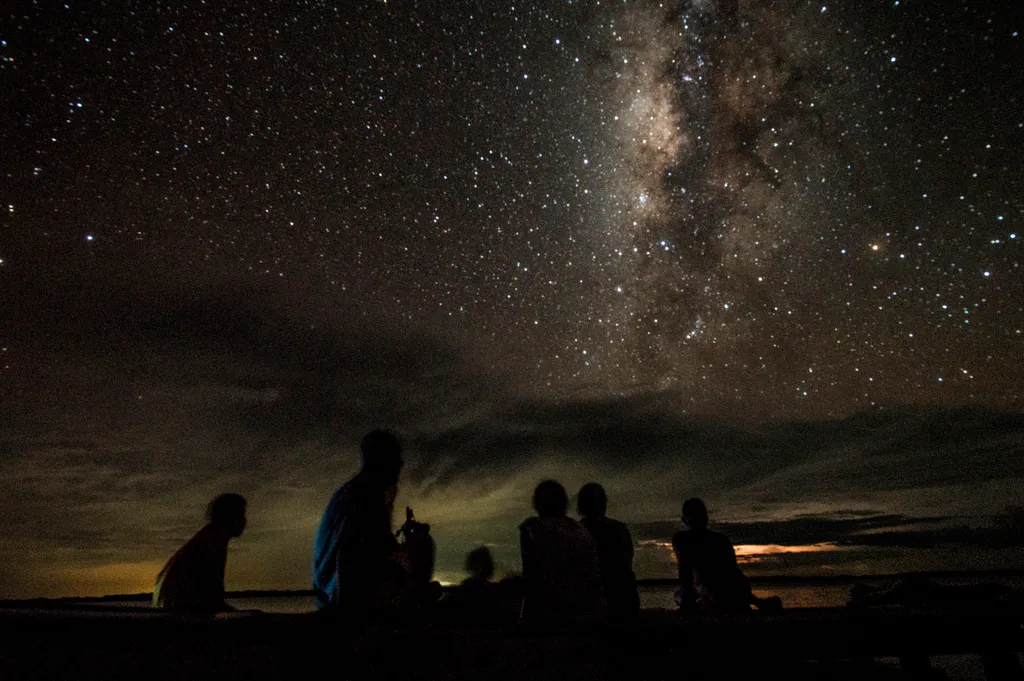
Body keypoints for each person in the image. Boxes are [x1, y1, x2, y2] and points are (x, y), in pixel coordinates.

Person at [312, 430, 433, 616]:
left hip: (327, 594)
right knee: (423, 544)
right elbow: (370, 551)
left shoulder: (347, 493)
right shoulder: (367, 495)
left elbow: (373, 546)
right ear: (384, 459)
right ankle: (413, 608)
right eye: (397, 458)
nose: (401, 464)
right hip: (346, 598)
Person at [519, 480, 607, 627]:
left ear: (537, 503)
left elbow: (532, 578)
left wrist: (525, 619)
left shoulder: (532, 529)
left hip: (560, 613)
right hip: (594, 610)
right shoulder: (579, 529)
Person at [672, 498, 780, 614]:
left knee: (678, 594)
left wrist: (688, 604)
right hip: (733, 592)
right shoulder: (720, 540)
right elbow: (734, 573)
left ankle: (712, 603)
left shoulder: (682, 539)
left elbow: (685, 573)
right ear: (706, 518)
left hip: (716, 594)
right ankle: (756, 602)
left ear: (684, 520)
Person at [153, 493, 247, 612]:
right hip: (184, 612)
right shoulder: (213, 541)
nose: (245, 520)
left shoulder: (209, 536)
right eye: (242, 514)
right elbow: (212, 595)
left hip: (179, 610)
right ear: (231, 516)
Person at [577, 483, 640, 623]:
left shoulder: (576, 532)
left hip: (590, 603)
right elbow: (627, 562)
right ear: (604, 503)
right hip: (623, 602)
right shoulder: (619, 529)